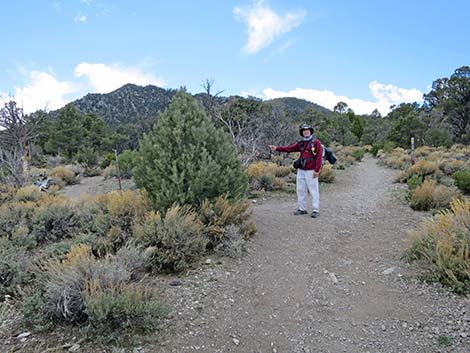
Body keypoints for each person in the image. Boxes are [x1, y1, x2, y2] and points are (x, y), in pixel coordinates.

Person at [269, 124, 323, 218]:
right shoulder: (301, 143)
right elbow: (290, 148)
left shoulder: (316, 143)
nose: (306, 132)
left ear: (310, 131)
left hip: (311, 171)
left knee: (313, 190)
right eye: (304, 130)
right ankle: (302, 209)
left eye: (307, 130)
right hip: (301, 170)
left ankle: (315, 210)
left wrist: (317, 170)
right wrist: (277, 148)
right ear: (302, 132)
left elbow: (319, 157)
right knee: (300, 190)